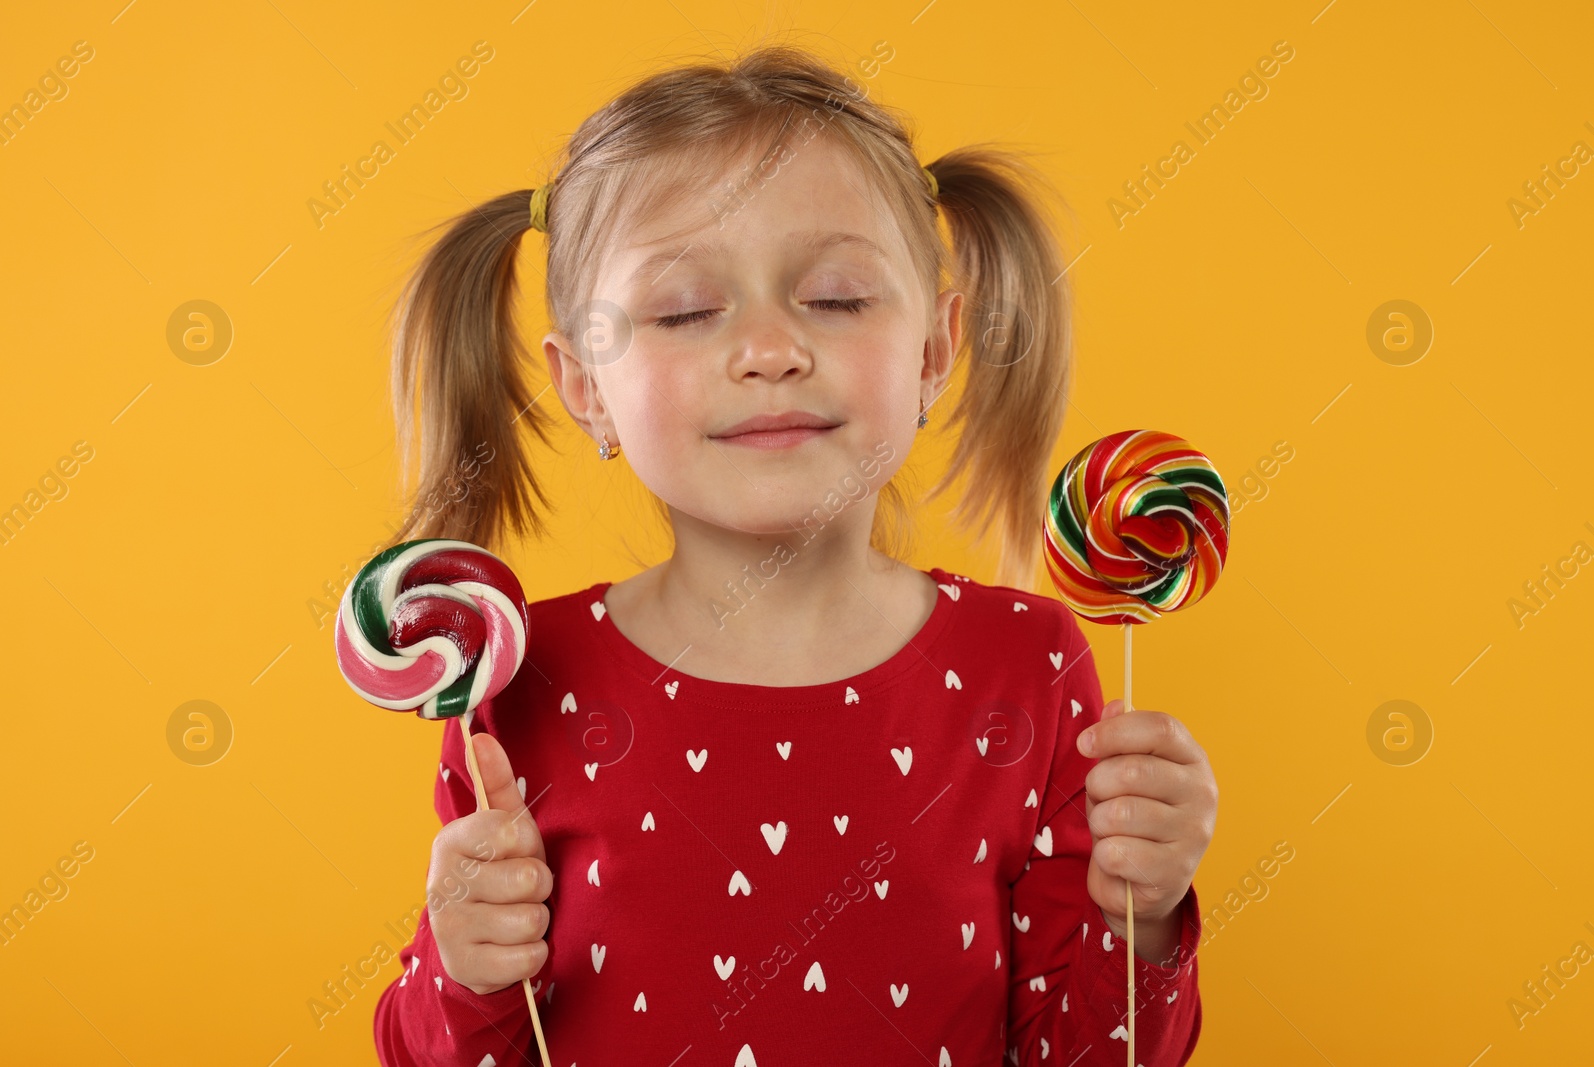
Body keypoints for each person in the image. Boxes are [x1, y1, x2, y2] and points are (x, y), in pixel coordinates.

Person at [372, 42, 1216, 1067]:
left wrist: (1146, 917)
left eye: (836, 298)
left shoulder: (1026, 665)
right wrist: (463, 969)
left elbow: (1089, 1057)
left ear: (935, 351)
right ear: (586, 383)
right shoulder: (517, 682)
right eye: (686, 310)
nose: (769, 349)